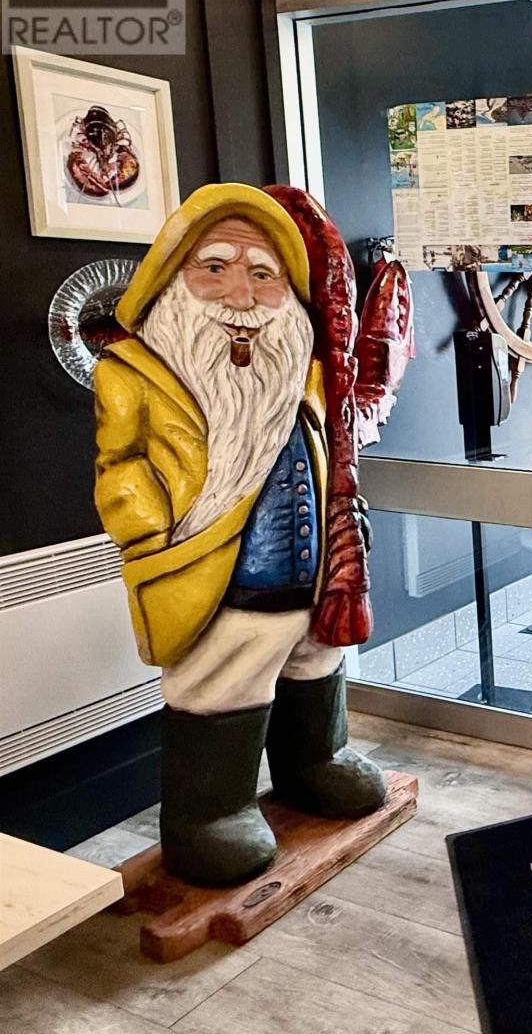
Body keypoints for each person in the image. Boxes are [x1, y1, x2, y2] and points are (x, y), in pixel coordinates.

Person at [94, 183, 387, 886]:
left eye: (263, 274)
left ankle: (315, 762)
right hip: (214, 574)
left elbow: (328, 452)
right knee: (222, 685)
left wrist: (345, 523)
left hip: (310, 580)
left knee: (314, 665)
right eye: (215, 267)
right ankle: (209, 812)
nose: (241, 294)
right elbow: (118, 469)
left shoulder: (303, 368)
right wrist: (153, 533)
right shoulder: (131, 374)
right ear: (172, 276)